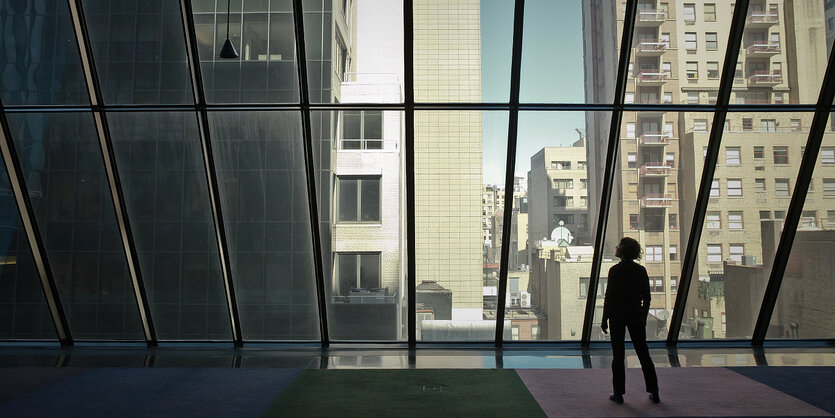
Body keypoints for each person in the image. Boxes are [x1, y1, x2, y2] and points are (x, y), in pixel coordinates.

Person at [601, 237, 659, 404]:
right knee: (643, 354)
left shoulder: (614, 271)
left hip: (617, 315)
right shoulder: (640, 271)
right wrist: (643, 316)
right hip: (635, 314)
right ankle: (654, 391)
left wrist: (604, 318)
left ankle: (618, 393)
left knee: (618, 356)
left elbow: (609, 298)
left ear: (622, 251)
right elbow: (647, 298)